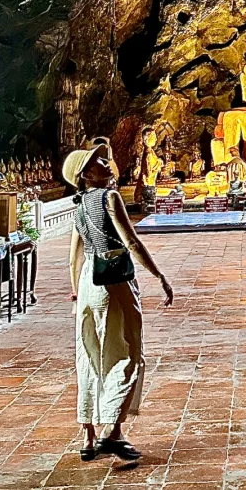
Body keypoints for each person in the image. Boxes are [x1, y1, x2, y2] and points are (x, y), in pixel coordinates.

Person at [63, 143, 174, 462]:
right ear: (86, 174)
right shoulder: (109, 197)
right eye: (98, 162)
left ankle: (88, 434)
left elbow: (74, 256)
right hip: (114, 280)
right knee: (126, 353)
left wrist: (77, 293)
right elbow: (132, 242)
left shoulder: (80, 203)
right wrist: (159, 275)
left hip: (88, 281)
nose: (106, 162)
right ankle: (112, 431)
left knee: (89, 355)